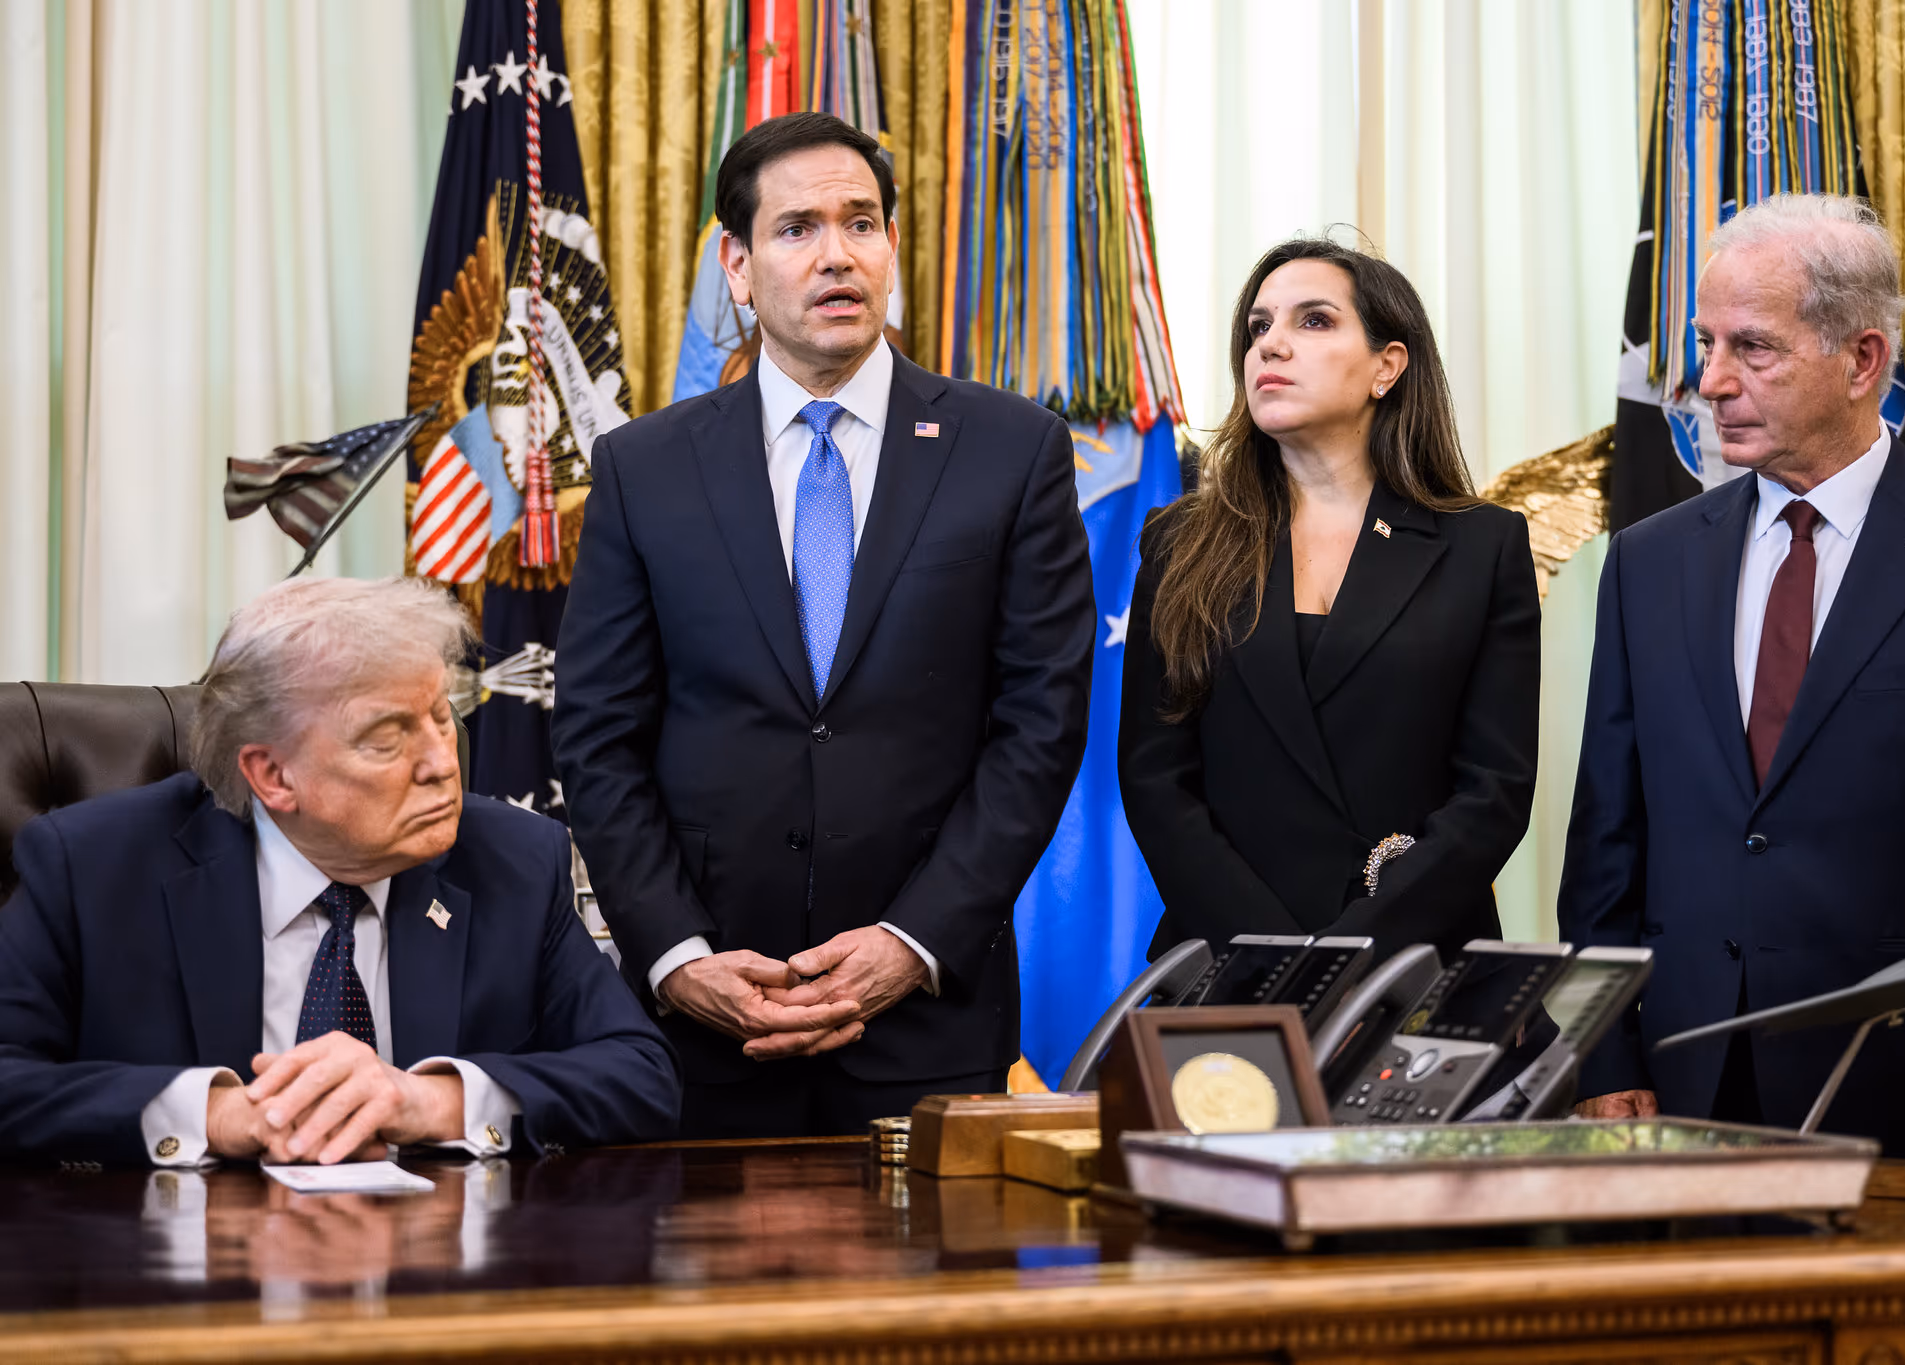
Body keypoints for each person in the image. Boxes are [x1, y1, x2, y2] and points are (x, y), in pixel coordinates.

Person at [552, 111, 1095, 1137]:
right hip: (706, 1022)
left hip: (928, 1011)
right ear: (737, 266)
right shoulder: (643, 467)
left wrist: (914, 941)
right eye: (797, 228)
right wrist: (677, 956)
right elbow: (597, 734)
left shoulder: (1012, 450)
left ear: (891, 247)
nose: (836, 254)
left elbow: (1041, 724)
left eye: (861, 222)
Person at [1559, 194, 1905, 1160]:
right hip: (1683, 1082)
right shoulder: (1648, 563)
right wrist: (1600, 1053)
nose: (1711, 381)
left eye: (1753, 347)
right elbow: (1606, 842)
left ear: (1862, 360)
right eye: (1707, 344)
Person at [0, 577, 679, 1166]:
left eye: (441, 718)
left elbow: (640, 1075)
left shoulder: (514, 861)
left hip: (438, 1257)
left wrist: (429, 1100)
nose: (441, 763)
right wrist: (215, 1115)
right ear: (273, 775)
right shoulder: (92, 867)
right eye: (386, 739)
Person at [1118, 238, 1540, 960]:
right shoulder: (1179, 541)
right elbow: (1155, 779)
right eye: (1259, 326)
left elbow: (1493, 792)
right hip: (1230, 967)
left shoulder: (1484, 545)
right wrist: (1275, 954)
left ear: (1387, 366)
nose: (1271, 344)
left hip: (1415, 967)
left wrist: (1352, 951)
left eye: (1312, 320)